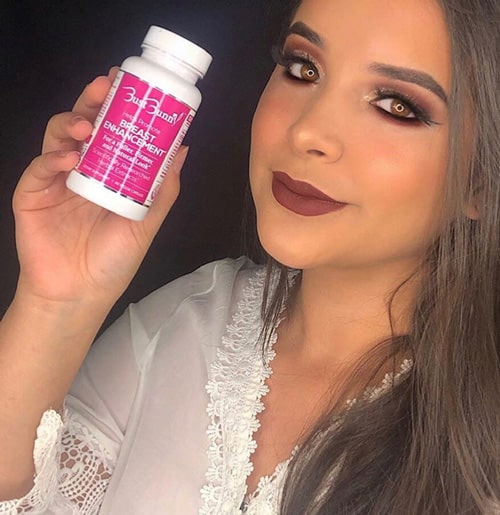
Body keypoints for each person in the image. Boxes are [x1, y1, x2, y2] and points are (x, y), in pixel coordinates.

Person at [1, 0, 499, 513]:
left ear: (482, 182)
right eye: (303, 69)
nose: (307, 132)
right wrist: (55, 301)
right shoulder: (179, 325)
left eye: (396, 105)